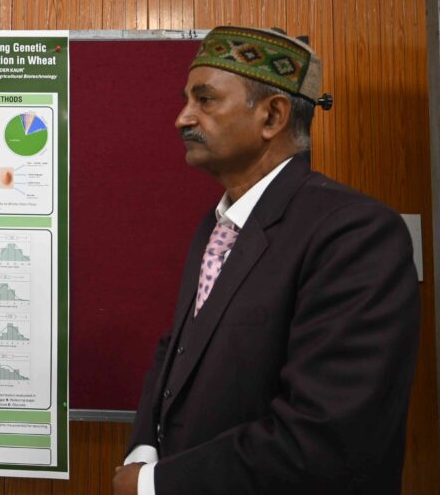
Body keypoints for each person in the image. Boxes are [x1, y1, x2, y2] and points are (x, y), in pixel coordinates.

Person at [113, 26, 419, 495]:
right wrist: (144, 448)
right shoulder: (216, 226)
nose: (182, 118)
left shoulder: (354, 234)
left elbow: (326, 437)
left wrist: (155, 483)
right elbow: (179, 349)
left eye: (205, 100)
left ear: (273, 116)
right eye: (186, 100)